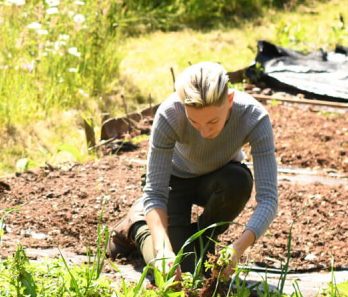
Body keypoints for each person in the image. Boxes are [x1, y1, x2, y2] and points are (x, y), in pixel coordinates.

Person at [110, 62, 278, 279]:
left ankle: (202, 242)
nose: (205, 131)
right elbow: (155, 192)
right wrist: (164, 251)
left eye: (213, 121)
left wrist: (237, 249)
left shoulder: (254, 117)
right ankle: (136, 225)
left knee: (239, 181)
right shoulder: (170, 113)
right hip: (175, 181)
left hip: (218, 178)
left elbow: (268, 199)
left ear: (229, 101)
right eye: (195, 122)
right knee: (177, 271)